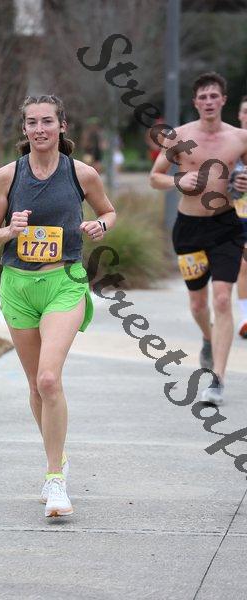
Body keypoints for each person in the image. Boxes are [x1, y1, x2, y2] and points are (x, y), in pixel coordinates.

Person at [0, 95, 116, 517]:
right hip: (17, 286)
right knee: (35, 385)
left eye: (47, 121)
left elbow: (109, 212)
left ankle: (55, 478)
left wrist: (100, 225)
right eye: (32, 122)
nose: (40, 129)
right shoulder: (7, 175)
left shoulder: (81, 173)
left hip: (64, 283)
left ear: (62, 125)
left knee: (49, 379)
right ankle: (57, 455)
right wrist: (9, 231)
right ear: (24, 129)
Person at [150, 72, 247, 406]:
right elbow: (155, 178)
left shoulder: (240, 138)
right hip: (189, 228)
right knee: (198, 304)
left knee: (221, 299)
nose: (208, 102)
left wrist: (243, 182)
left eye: (213, 96)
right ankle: (208, 337)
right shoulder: (179, 137)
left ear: (223, 100)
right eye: (202, 97)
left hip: (225, 227)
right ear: (195, 102)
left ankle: (217, 379)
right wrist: (178, 180)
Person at [228, 96, 247, 338]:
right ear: (240, 115)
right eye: (246, 111)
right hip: (237, 215)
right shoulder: (230, 145)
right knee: (244, 265)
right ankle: (245, 318)